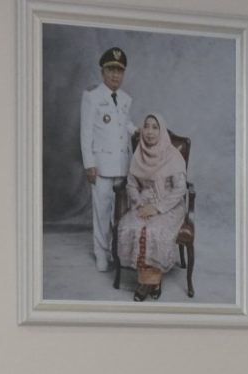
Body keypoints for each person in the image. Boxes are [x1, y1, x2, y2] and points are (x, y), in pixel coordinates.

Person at [114, 112, 187, 301]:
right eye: (146, 126)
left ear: (161, 131)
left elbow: (180, 189)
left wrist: (157, 208)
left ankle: (146, 284)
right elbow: (131, 185)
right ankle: (154, 282)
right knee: (131, 226)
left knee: (155, 231)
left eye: (155, 127)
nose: (149, 131)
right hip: (143, 203)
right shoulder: (138, 154)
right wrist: (139, 204)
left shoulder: (173, 155)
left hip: (169, 205)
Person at [79, 46, 133, 272]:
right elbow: (86, 132)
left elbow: (124, 125)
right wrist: (89, 164)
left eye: (119, 71)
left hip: (121, 164)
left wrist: (139, 131)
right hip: (101, 165)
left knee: (120, 212)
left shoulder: (126, 99)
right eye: (111, 70)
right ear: (103, 72)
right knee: (101, 212)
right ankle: (100, 252)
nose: (115, 75)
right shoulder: (92, 97)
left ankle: (116, 251)